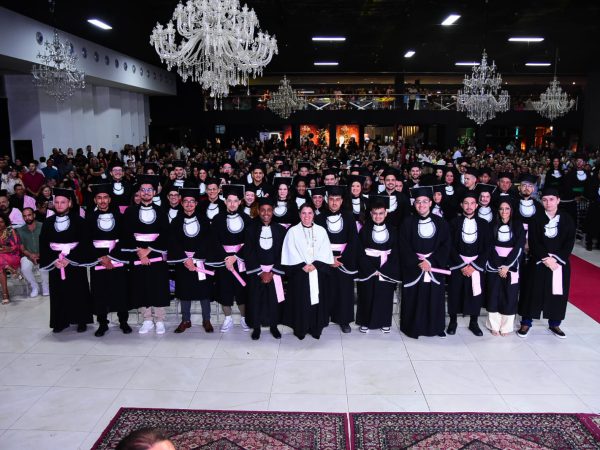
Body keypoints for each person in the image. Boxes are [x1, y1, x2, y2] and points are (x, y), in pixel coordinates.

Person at [517, 187, 576, 339]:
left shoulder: (567, 219)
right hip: (539, 261)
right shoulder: (536, 218)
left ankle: (554, 323)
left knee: (557, 293)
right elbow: (534, 241)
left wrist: (556, 259)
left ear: (558, 200)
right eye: (544, 200)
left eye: (551, 199)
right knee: (532, 292)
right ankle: (526, 322)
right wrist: (545, 258)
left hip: (559, 263)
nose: (548, 203)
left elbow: (569, 242)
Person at [399, 186, 451, 339]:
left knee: (434, 298)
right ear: (414, 204)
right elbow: (403, 245)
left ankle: (436, 327)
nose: (421, 205)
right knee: (414, 298)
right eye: (418, 202)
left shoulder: (441, 222)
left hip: (434, 267)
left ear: (430, 203)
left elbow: (446, 245)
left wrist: (431, 261)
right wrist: (418, 262)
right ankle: (412, 327)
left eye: (424, 201)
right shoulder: (407, 222)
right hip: (414, 267)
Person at [39, 188, 93, 332]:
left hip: (74, 262)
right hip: (56, 263)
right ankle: (60, 321)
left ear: (69, 203)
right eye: (56, 202)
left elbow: (85, 242)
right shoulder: (48, 222)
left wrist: (70, 259)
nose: (59, 205)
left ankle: (81, 320)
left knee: (78, 291)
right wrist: (54, 260)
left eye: (63, 202)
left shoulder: (79, 221)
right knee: (58, 293)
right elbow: (44, 244)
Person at [122, 175, 171, 335]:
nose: (146, 192)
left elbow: (165, 234)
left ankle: (159, 320)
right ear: (139, 192)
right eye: (143, 190)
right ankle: (147, 319)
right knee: (140, 287)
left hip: (156, 255)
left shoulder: (161, 211)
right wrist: (140, 253)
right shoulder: (130, 211)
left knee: (158, 287)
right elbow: (127, 234)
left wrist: (148, 250)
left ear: (154, 192)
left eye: (149, 190)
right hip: (137, 255)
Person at [281, 203, 333, 340]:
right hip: (300, 272)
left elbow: (325, 250)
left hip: (317, 271)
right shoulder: (292, 231)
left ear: (313, 214)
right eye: (304, 213)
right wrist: (302, 265)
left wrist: (315, 265)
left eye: (310, 213)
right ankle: (301, 329)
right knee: (301, 301)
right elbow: (290, 250)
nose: (306, 216)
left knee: (316, 301)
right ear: (299, 215)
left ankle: (316, 329)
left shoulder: (321, 230)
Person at [87, 183, 132, 337]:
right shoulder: (90, 218)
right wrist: (101, 258)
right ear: (95, 200)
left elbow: (125, 239)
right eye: (99, 198)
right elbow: (87, 241)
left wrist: (111, 257)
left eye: (105, 197)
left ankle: (123, 321)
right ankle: (102, 323)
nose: (102, 201)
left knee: (120, 291)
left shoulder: (120, 217)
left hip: (117, 259)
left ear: (110, 199)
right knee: (100, 293)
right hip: (98, 261)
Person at [168, 188, 214, 333]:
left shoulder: (204, 220)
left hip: (200, 261)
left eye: (192, 201)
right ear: (181, 203)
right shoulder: (176, 221)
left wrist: (195, 258)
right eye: (186, 201)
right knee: (184, 291)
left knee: (204, 291)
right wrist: (185, 259)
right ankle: (185, 320)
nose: (189, 204)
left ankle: (206, 320)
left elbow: (208, 240)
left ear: (196, 203)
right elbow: (173, 242)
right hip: (183, 262)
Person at [315, 185, 360, 333]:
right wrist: (329, 259)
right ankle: (323, 317)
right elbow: (317, 242)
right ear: (327, 200)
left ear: (341, 201)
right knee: (325, 290)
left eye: (337, 199)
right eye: (331, 199)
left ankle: (344, 320)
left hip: (344, 259)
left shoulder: (349, 217)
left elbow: (353, 240)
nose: (334, 202)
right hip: (325, 259)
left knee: (344, 291)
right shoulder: (319, 218)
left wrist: (341, 259)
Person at [447, 192, 490, 337]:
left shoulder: (484, 224)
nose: (469, 206)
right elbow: (449, 245)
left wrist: (474, 266)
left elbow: (487, 247)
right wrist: (461, 265)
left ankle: (474, 322)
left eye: (472, 203)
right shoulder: (453, 223)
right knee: (454, 293)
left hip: (476, 266)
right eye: (466, 203)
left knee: (475, 294)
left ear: (476, 205)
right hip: (457, 265)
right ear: (461, 205)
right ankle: (453, 322)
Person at [355, 197, 401, 333]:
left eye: (381, 213)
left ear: (386, 213)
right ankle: (365, 322)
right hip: (368, 268)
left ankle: (384, 322)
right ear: (371, 214)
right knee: (366, 294)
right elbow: (359, 251)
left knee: (384, 295)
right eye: (375, 213)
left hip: (386, 267)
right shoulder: (364, 230)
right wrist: (370, 269)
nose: (378, 216)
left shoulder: (393, 230)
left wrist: (385, 269)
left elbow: (396, 251)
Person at [243, 197, 286, 340]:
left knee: (274, 301)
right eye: (263, 210)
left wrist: (272, 272)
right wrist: (261, 272)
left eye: (269, 210)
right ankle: (256, 328)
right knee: (255, 301)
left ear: (273, 211)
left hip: (274, 273)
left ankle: (274, 326)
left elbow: (283, 253)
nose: (266, 213)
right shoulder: (250, 230)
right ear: (258, 211)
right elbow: (248, 252)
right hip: (257, 272)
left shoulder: (280, 230)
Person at [211, 184, 251, 332]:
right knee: (224, 290)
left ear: (240, 202)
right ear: (225, 202)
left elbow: (250, 242)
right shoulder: (217, 219)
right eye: (229, 201)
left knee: (242, 290)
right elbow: (214, 241)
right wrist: (226, 258)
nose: (232, 204)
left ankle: (244, 318)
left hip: (241, 261)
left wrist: (236, 257)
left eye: (235, 201)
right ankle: (227, 319)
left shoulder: (247, 219)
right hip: (224, 262)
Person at [485, 199, 526, 336]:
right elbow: (489, 247)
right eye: (501, 208)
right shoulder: (492, 225)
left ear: (511, 210)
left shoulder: (518, 225)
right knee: (494, 294)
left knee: (510, 294)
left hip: (511, 264)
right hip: (494, 264)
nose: (504, 211)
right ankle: (494, 325)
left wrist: (507, 266)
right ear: (498, 210)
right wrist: (499, 265)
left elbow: (519, 247)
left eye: (507, 208)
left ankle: (507, 327)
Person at [17, 207, 49, 297]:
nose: (27, 218)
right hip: (28, 255)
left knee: (43, 267)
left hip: (43, 253)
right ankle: (34, 287)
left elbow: (48, 244)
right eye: (25, 216)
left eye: (29, 215)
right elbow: (22, 248)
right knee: (25, 268)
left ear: (34, 215)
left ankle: (45, 287)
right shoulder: (20, 230)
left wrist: (40, 254)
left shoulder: (43, 226)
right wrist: (30, 255)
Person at [0, 213, 22, 304]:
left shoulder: (10, 231)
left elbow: (17, 246)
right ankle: (5, 294)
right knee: (0, 268)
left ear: (5, 222)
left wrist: (8, 249)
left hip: (13, 256)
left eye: (1, 222)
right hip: (2, 259)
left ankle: (5, 295)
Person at [584, 168, 600, 250]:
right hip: (594, 207)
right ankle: (589, 243)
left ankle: (598, 244)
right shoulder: (593, 182)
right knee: (591, 225)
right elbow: (589, 194)